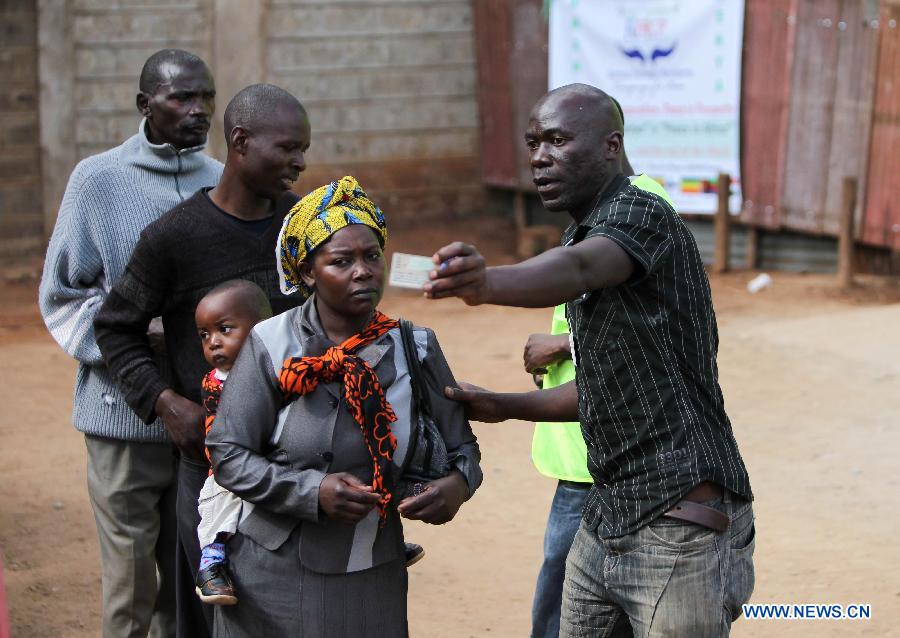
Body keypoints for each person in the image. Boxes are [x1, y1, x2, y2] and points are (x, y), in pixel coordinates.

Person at [425, 83, 755, 637]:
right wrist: (503, 405)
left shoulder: (642, 214)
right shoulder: (588, 228)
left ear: (611, 145)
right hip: (607, 516)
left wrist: (486, 283)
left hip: (680, 520)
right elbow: (603, 387)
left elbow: (578, 269)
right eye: (533, 143)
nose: (539, 157)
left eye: (557, 140)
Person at [206, 176, 483, 637]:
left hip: (370, 567)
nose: (363, 271)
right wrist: (310, 492)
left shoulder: (415, 347)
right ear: (309, 272)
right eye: (342, 261)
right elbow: (228, 454)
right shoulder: (271, 343)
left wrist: (457, 485)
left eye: (372, 256)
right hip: (270, 570)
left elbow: (464, 448)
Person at [94, 83, 309, 637]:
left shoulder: (300, 229)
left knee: (296, 601)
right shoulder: (174, 238)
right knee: (219, 606)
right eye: (287, 148)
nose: (299, 162)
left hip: (298, 453)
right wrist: (167, 404)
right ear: (240, 141)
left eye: (302, 149)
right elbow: (116, 329)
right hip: (212, 462)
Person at [38, 48, 220, 638]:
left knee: (190, 578)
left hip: (203, 420)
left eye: (206, 98)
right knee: (131, 588)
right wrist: (143, 345)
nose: (197, 111)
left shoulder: (219, 181)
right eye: (180, 98)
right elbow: (62, 297)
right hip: (121, 418)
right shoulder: (97, 181)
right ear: (145, 105)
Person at [191, 280, 273, 605]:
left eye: (224, 330)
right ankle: (211, 564)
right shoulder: (216, 383)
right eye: (205, 335)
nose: (213, 343)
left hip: (279, 460)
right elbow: (223, 436)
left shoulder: (283, 367)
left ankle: (371, 537)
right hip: (235, 465)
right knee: (222, 505)